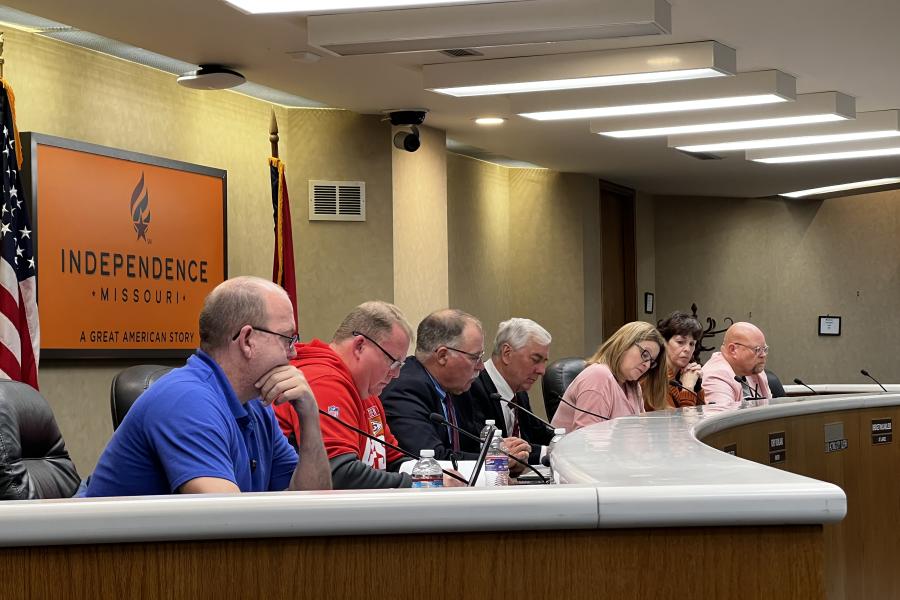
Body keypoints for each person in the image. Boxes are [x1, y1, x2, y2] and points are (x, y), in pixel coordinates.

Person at [85, 276, 332, 497]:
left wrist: (309, 416)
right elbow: (226, 523)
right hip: (95, 548)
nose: (293, 353)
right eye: (287, 339)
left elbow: (313, 507)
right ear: (247, 340)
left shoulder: (256, 404)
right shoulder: (186, 400)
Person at [274, 301, 461, 489]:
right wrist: (422, 483)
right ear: (360, 346)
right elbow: (339, 475)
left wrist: (434, 474)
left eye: (400, 365)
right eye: (393, 362)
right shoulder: (323, 381)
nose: (395, 374)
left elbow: (394, 460)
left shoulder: (367, 390)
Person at [381, 309, 531, 474]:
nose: (481, 366)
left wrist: (507, 458)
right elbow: (431, 459)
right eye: (475, 357)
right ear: (443, 356)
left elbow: (471, 447)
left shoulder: (458, 388)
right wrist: (495, 461)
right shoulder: (405, 389)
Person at [457, 318, 554, 465]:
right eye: (535, 359)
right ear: (507, 353)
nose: (542, 371)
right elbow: (488, 450)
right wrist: (549, 453)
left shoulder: (518, 391)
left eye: (544, 362)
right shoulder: (472, 387)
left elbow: (537, 434)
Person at [550, 321, 667, 432]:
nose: (646, 364)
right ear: (624, 344)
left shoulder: (634, 387)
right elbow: (587, 442)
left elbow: (640, 433)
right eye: (645, 354)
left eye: (651, 361)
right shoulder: (598, 376)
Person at [701, 322, 771, 407]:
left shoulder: (754, 370)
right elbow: (725, 418)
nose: (763, 355)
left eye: (765, 349)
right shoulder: (715, 376)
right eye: (757, 350)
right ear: (733, 350)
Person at [656, 311, 705, 408]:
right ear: (664, 342)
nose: (687, 349)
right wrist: (688, 388)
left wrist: (697, 387)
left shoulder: (687, 374)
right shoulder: (655, 379)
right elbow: (683, 422)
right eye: (680, 342)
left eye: (692, 344)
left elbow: (702, 416)